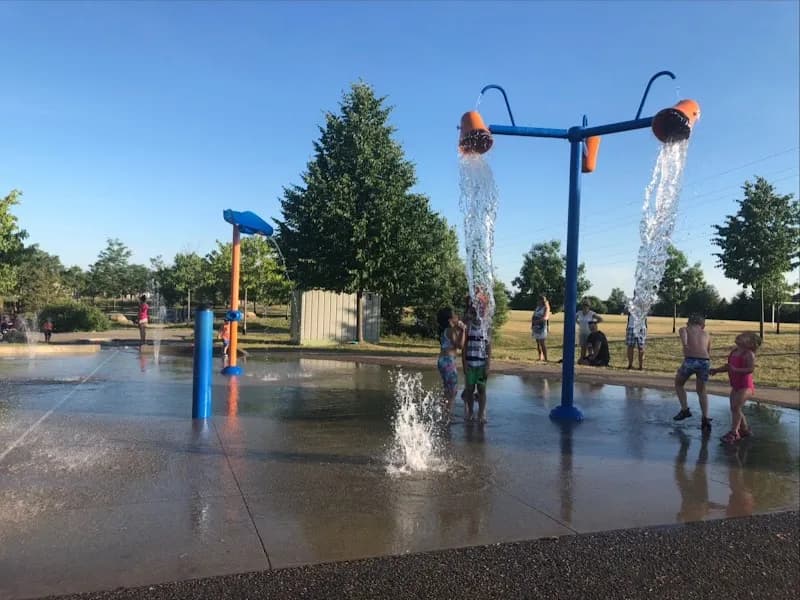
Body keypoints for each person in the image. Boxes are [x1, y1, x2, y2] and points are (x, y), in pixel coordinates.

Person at [710, 331, 761, 444]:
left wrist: (735, 370)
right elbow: (728, 366)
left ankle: (734, 433)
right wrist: (717, 370)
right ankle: (745, 430)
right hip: (735, 385)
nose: (740, 336)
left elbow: (750, 369)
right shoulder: (734, 351)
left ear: (750, 343)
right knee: (735, 408)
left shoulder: (748, 354)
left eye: (744, 336)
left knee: (736, 407)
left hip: (745, 386)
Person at [674, 314, 712, 431]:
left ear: (688, 323)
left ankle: (685, 409)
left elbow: (683, 334)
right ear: (703, 325)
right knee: (702, 390)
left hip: (691, 360)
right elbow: (708, 350)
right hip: (705, 362)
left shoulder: (685, 329)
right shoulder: (707, 334)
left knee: (679, 384)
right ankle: (705, 417)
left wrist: (685, 344)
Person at [462, 297, 491, 424]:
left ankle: (481, 413)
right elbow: (464, 346)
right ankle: (470, 412)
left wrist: (487, 365)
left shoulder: (486, 327)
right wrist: (464, 363)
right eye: (473, 310)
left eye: (478, 309)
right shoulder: (468, 326)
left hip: (481, 364)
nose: (476, 312)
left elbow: (489, 347)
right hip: (470, 364)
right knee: (469, 389)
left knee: (481, 389)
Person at [436, 307, 466, 421]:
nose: (457, 316)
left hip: (442, 361)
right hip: (448, 362)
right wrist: (463, 330)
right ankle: (447, 416)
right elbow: (460, 345)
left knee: (447, 389)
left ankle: (443, 412)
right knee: (453, 391)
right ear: (450, 320)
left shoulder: (445, 330)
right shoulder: (450, 330)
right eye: (454, 315)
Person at [531, 295, 551, 362]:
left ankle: (546, 358)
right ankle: (540, 357)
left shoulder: (546, 308)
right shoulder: (537, 308)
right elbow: (533, 315)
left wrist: (538, 321)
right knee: (537, 342)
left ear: (542, 301)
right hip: (536, 326)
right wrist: (533, 323)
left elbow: (545, 317)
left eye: (539, 300)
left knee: (542, 342)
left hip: (542, 326)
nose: (537, 302)